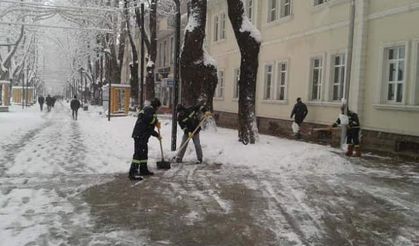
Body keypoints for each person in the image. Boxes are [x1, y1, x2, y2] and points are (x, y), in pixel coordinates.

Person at [129, 98, 162, 180]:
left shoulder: (149, 110)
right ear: (156, 106)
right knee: (138, 154)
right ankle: (133, 173)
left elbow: (149, 128)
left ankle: (143, 170)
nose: (158, 109)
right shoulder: (149, 110)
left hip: (142, 136)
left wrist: (157, 135)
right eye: (158, 107)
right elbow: (148, 120)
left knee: (144, 153)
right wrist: (155, 122)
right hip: (140, 135)